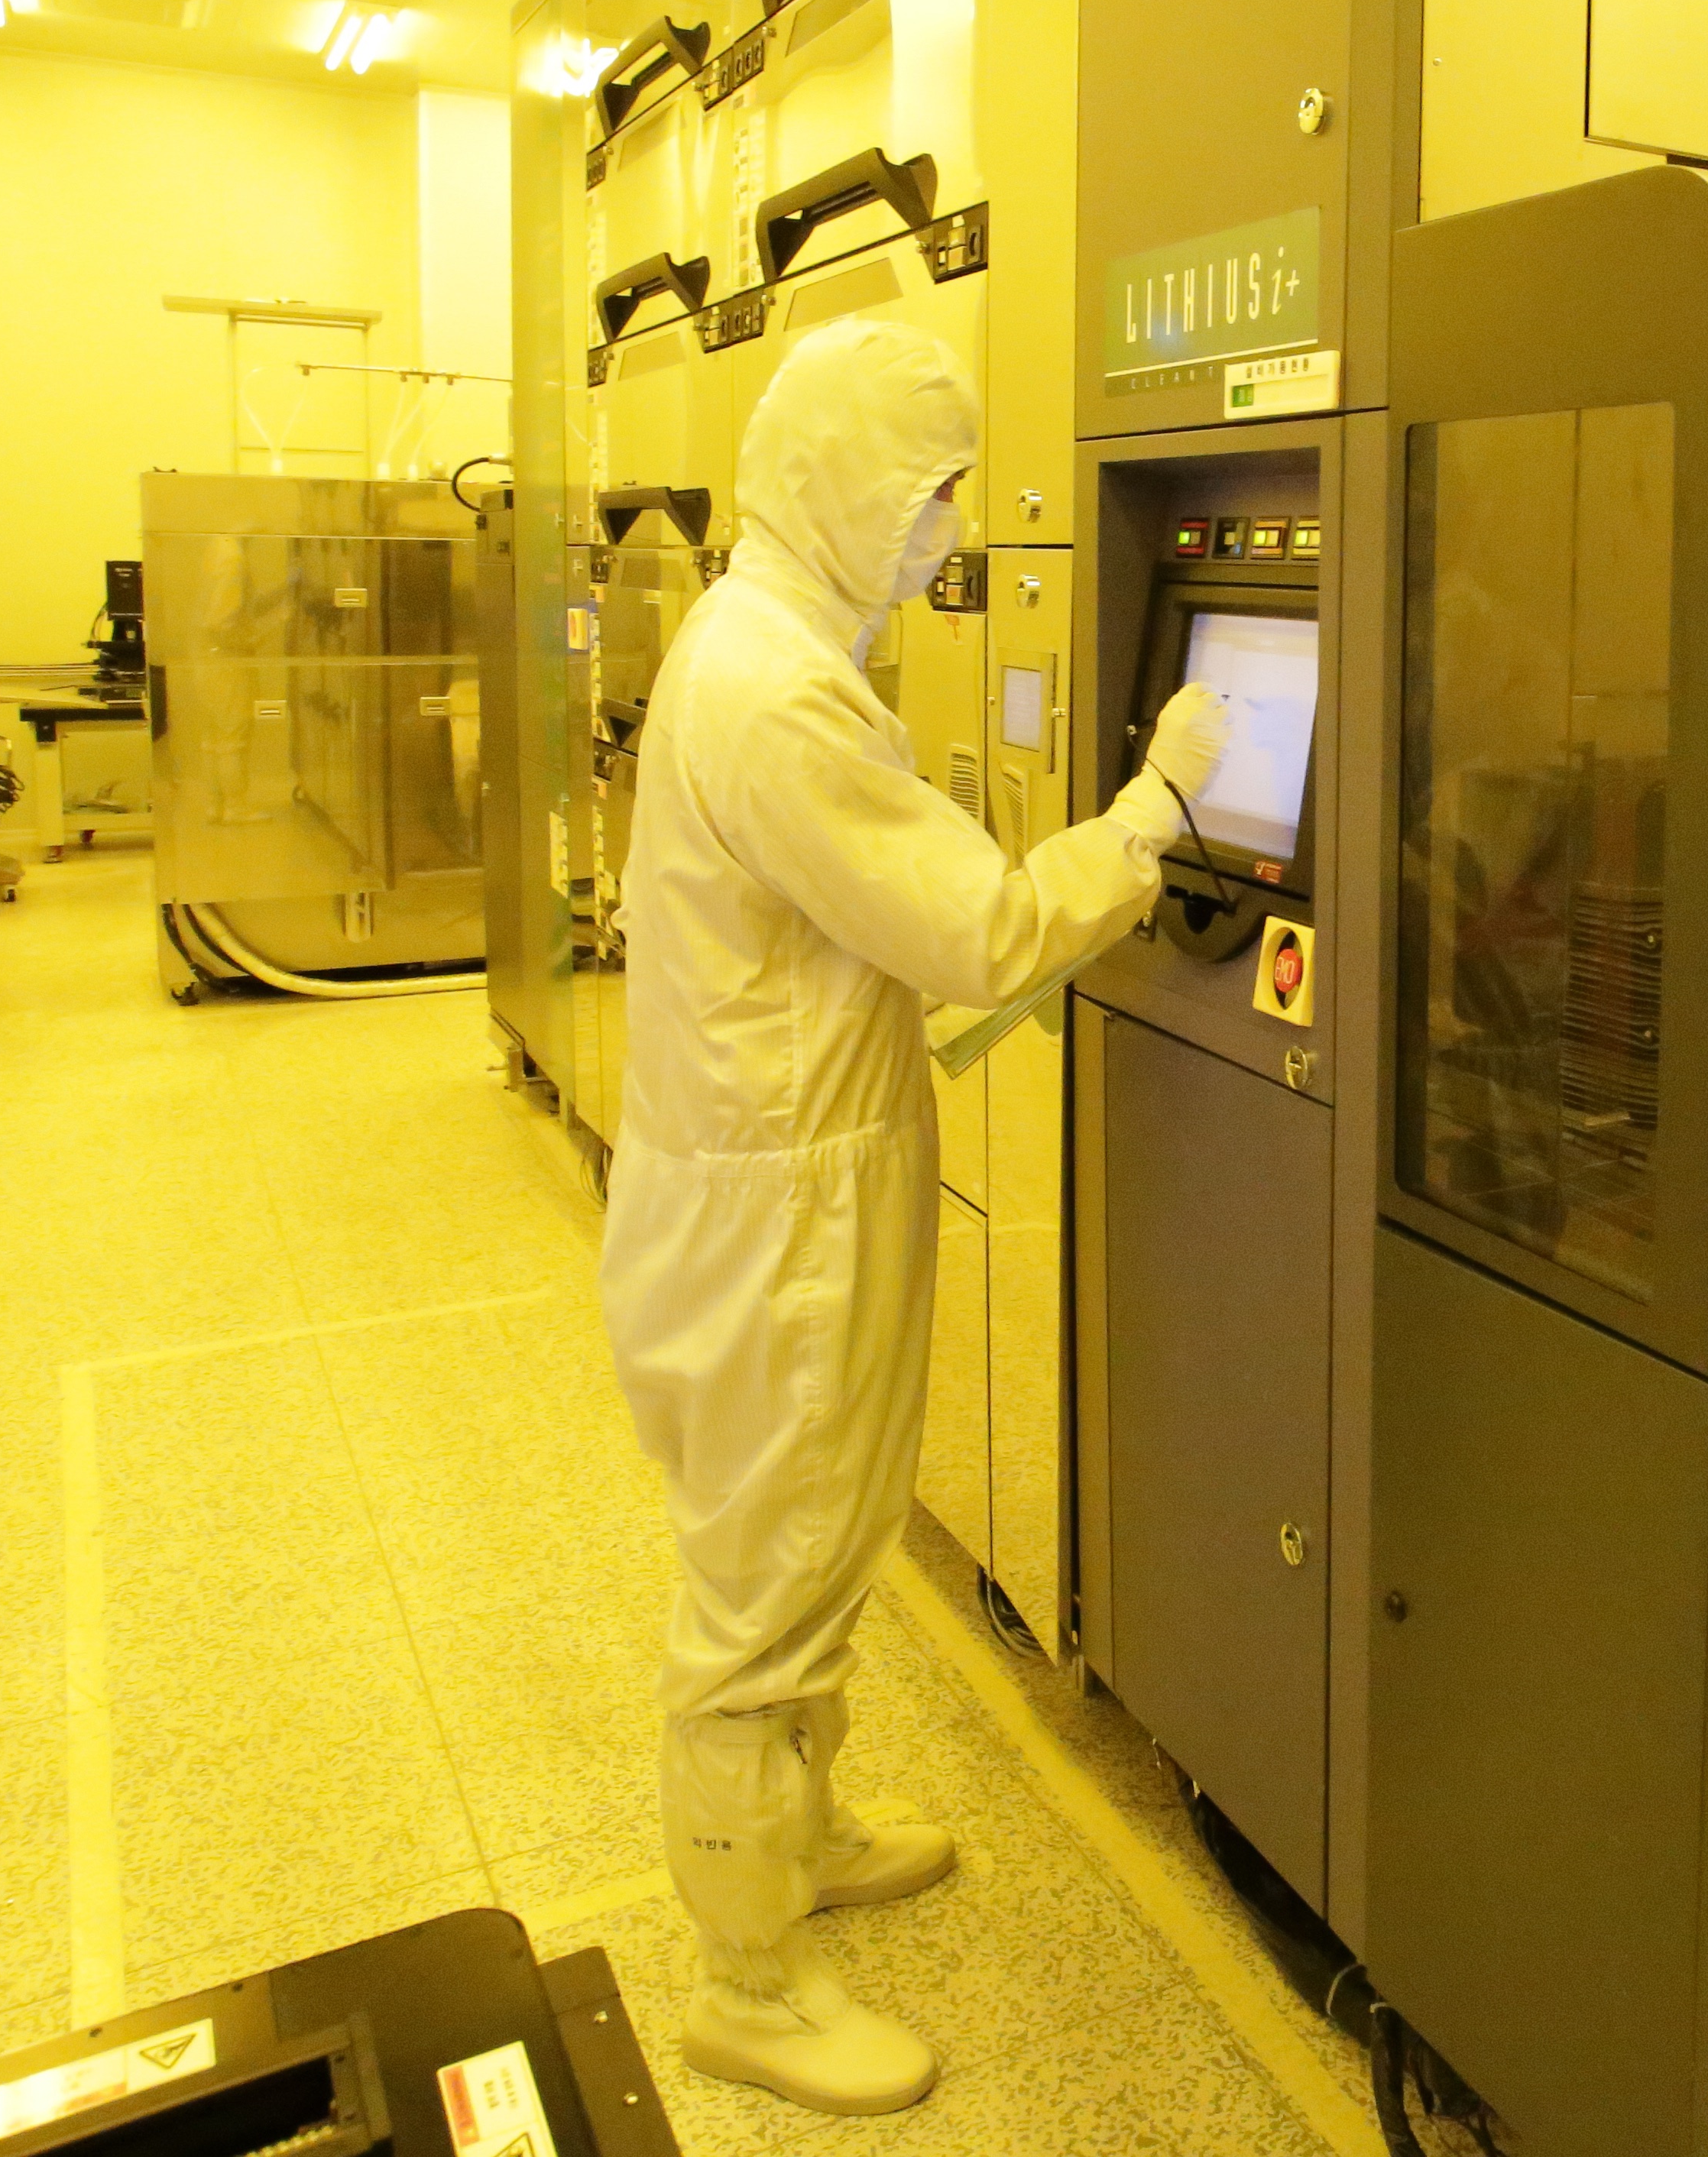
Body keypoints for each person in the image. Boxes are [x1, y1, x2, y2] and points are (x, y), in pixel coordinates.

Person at [598, 317, 1230, 2116]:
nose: (951, 525)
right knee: (766, 1579)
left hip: (794, 1178)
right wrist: (1157, 807)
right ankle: (748, 1981)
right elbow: (979, 929)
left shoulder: (773, 643)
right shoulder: (775, 690)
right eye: (935, 489)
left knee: (817, 1535)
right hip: (774, 1222)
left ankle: (798, 1837)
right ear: (849, 484)